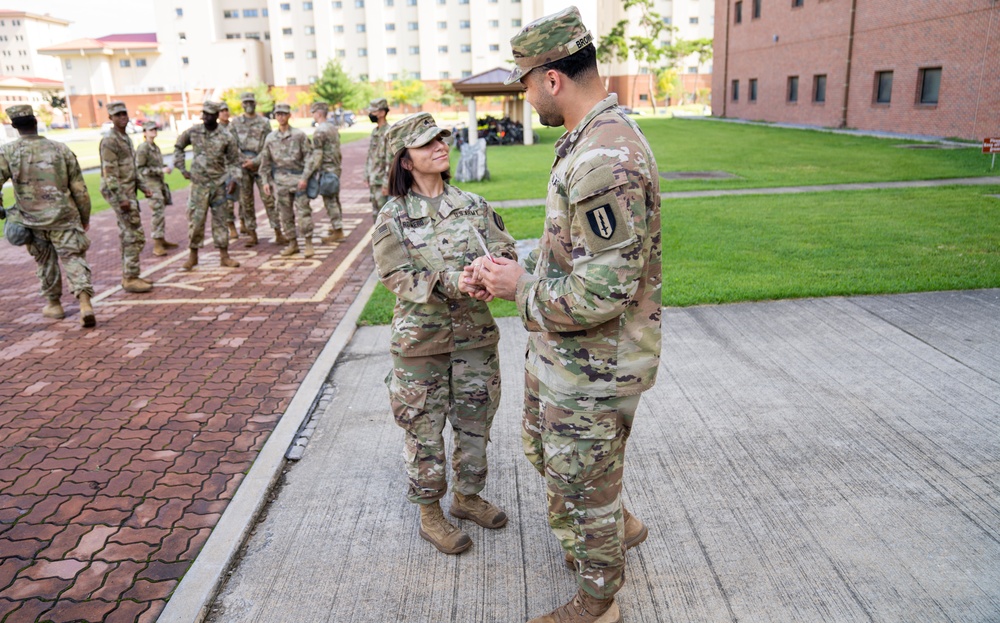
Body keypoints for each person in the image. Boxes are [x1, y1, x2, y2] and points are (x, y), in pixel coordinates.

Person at [472, 7, 662, 623]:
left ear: (551, 79)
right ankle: (613, 522)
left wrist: (520, 290)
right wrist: (514, 265)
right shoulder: (587, 140)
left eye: (525, 83)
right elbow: (576, 249)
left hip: (594, 364)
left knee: (580, 485)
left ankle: (598, 601)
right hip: (564, 353)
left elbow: (604, 288)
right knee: (547, 453)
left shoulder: (604, 157)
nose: (525, 97)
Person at [371, 112, 516, 556]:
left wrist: (490, 270)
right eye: (426, 143)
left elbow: (505, 248)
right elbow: (395, 275)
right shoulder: (393, 216)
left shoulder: (473, 205)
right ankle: (430, 513)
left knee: (475, 425)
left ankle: (467, 498)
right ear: (406, 161)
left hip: (474, 339)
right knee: (424, 431)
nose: (440, 146)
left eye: (441, 138)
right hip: (421, 345)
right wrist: (452, 281)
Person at [0, 105, 96, 327]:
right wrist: (85, 217)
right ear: (35, 122)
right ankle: (85, 304)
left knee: (45, 262)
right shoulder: (61, 149)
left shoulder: (8, 152)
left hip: (31, 220)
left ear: (14, 127)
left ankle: (54, 305)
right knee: (74, 258)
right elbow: (80, 189)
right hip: (65, 217)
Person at [172, 100, 242, 272]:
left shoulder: (226, 136)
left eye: (210, 114)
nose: (206, 117)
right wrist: (182, 168)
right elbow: (178, 146)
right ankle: (193, 255)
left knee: (220, 221)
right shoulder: (194, 132)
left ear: (217, 116)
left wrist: (234, 179)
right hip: (199, 185)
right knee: (196, 221)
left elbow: (234, 161)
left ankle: (224, 256)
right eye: (204, 114)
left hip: (219, 184)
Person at [99, 101, 152, 293]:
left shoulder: (125, 138)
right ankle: (130, 277)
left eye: (124, 114)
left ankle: (129, 275)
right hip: (118, 192)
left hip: (128, 190)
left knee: (129, 234)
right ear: (110, 118)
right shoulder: (110, 140)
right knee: (134, 235)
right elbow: (109, 173)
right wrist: (121, 198)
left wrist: (144, 187)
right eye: (118, 115)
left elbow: (132, 168)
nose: (122, 117)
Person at [260, 103, 313, 258]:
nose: (281, 117)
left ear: (289, 115)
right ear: (275, 117)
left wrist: (305, 177)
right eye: (278, 114)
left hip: (298, 180)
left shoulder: (299, 135)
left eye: (284, 114)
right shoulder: (270, 138)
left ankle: (308, 243)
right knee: (285, 215)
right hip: (281, 182)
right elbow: (265, 162)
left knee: (304, 213)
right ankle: (292, 243)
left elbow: (309, 157)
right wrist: (265, 181)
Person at [230, 91, 282, 247]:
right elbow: (232, 146)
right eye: (245, 102)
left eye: (251, 102)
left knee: (269, 199)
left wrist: (256, 161)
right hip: (243, 167)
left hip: (260, 166)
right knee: (246, 202)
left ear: (255, 103)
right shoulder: (235, 123)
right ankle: (252, 234)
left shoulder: (264, 122)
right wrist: (244, 161)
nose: (248, 105)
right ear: (242, 104)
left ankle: (278, 232)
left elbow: (268, 145)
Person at [135, 121, 179, 256]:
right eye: (150, 129)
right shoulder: (143, 148)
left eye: (155, 129)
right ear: (145, 132)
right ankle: (157, 244)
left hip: (159, 184)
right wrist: (160, 170)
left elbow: (156, 164)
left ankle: (161, 239)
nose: (154, 131)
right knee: (157, 213)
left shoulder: (154, 147)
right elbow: (140, 169)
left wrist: (166, 167)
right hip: (150, 184)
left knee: (161, 212)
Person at [304, 101, 345, 243]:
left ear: (319, 113)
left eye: (313, 113)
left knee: (330, 201)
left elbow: (317, 156)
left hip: (327, 170)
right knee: (335, 199)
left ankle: (338, 230)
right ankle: (337, 227)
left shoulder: (320, 131)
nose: (313, 116)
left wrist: (308, 174)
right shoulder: (332, 128)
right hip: (335, 168)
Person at [364, 98, 391, 222]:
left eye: (374, 112)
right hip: (374, 179)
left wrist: (386, 184)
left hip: (382, 182)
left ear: (382, 113)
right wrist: (367, 175)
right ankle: (379, 239)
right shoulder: (375, 132)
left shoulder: (389, 132)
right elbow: (370, 155)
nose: (371, 115)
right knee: (375, 214)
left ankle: (387, 241)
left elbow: (390, 161)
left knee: (384, 215)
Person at [218, 101, 240, 242]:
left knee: (245, 200)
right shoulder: (216, 130)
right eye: (222, 111)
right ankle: (231, 225)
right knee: (228, 201)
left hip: (237, 166)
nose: (225, 113)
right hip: (223, 170)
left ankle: (244, 223)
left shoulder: (235, 127)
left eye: (226, 110)